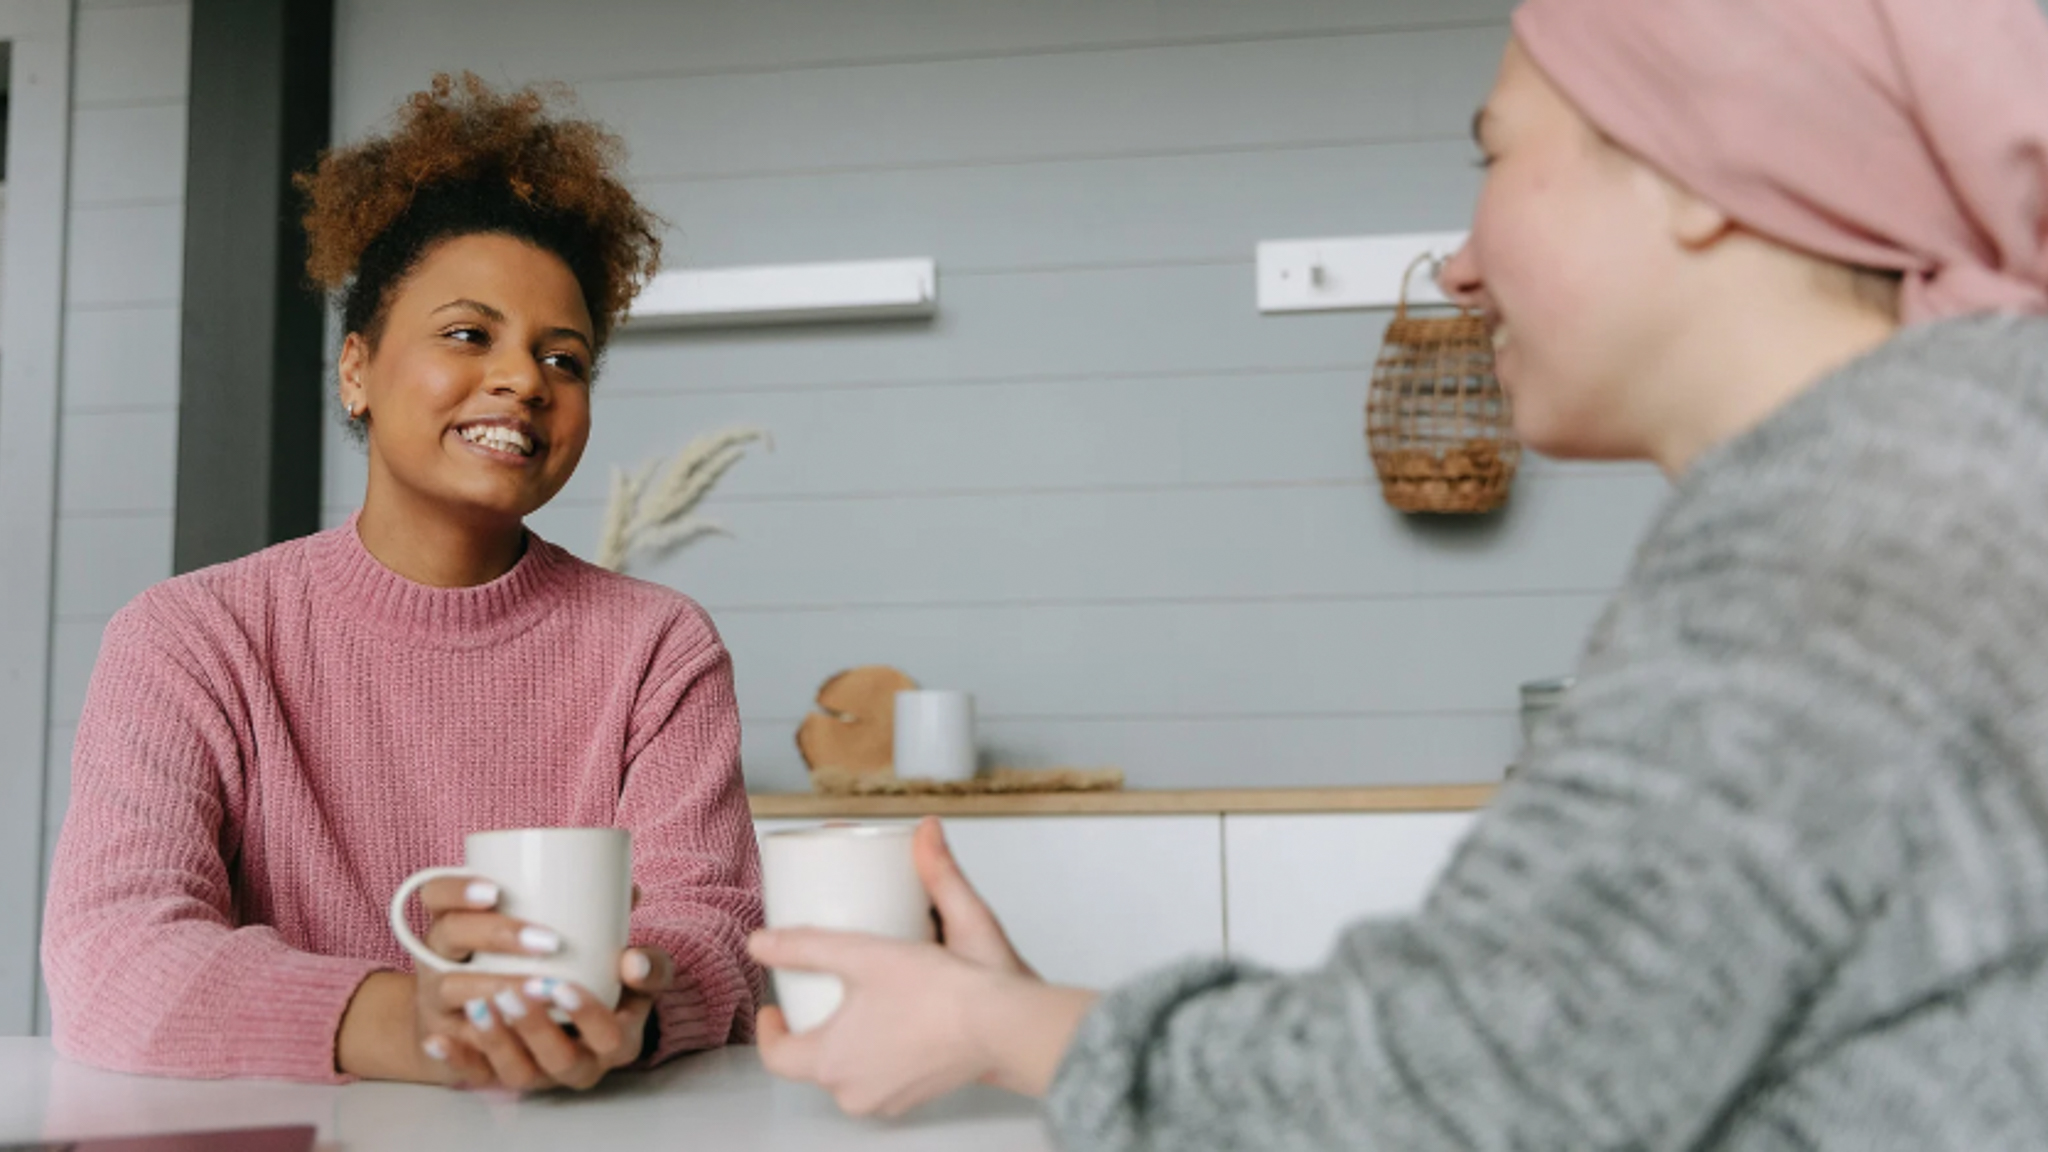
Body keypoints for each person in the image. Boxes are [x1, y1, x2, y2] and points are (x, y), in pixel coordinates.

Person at [747, 0, 2048, 1146]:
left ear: (1700, 156)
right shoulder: (1945, 464)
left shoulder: (1852, 532)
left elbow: (1450, 1096)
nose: (1461, 262)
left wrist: (997, 1029)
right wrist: (1016, 1016)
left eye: (1493, 154)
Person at [40, 74, 764, 1091]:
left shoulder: (658, 646)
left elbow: (714, 927)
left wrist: (631, 1007)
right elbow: (112, 955)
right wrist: (415, 1023)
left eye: (566, 359)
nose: (524, 379)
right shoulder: (189, 638)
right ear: (355, 371)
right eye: (469, 335)